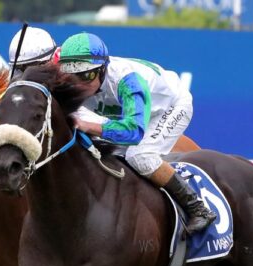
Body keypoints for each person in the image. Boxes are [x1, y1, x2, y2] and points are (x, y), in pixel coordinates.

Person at [58, 32, 216, 234]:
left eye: (87, 75)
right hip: (129, 114)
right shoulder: (71, 81)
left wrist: (88, 125)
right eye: (72, 77)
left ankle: (197, 208)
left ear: (103, 69)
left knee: (140, 156)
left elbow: (133, 132)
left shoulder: (126, 82)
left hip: (170, 107)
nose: (79, 85)